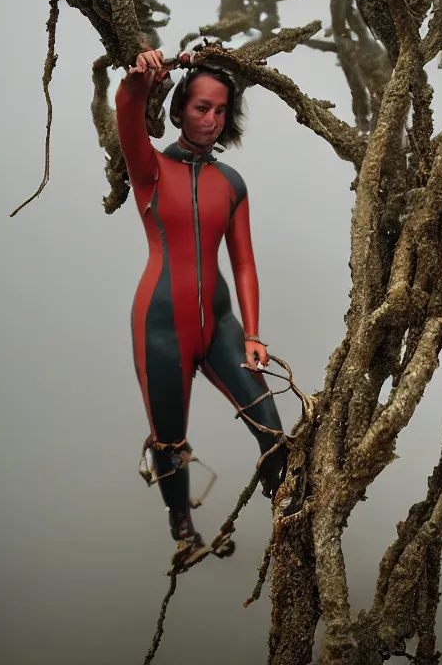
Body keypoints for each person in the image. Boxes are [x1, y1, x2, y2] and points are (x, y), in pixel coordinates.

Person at [115, 49, 287, 552]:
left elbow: (245, 263)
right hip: (160, 328)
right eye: (200, 108)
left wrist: (252, 333)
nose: (211, 120)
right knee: (169, 442)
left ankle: (289, 515)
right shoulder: (148, 168)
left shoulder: (230, 183)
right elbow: (128, 112)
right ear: (178, 110)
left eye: (220, 111)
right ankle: (182, 527)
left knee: (273, 431)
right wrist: (142, 79)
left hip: (221, 324)